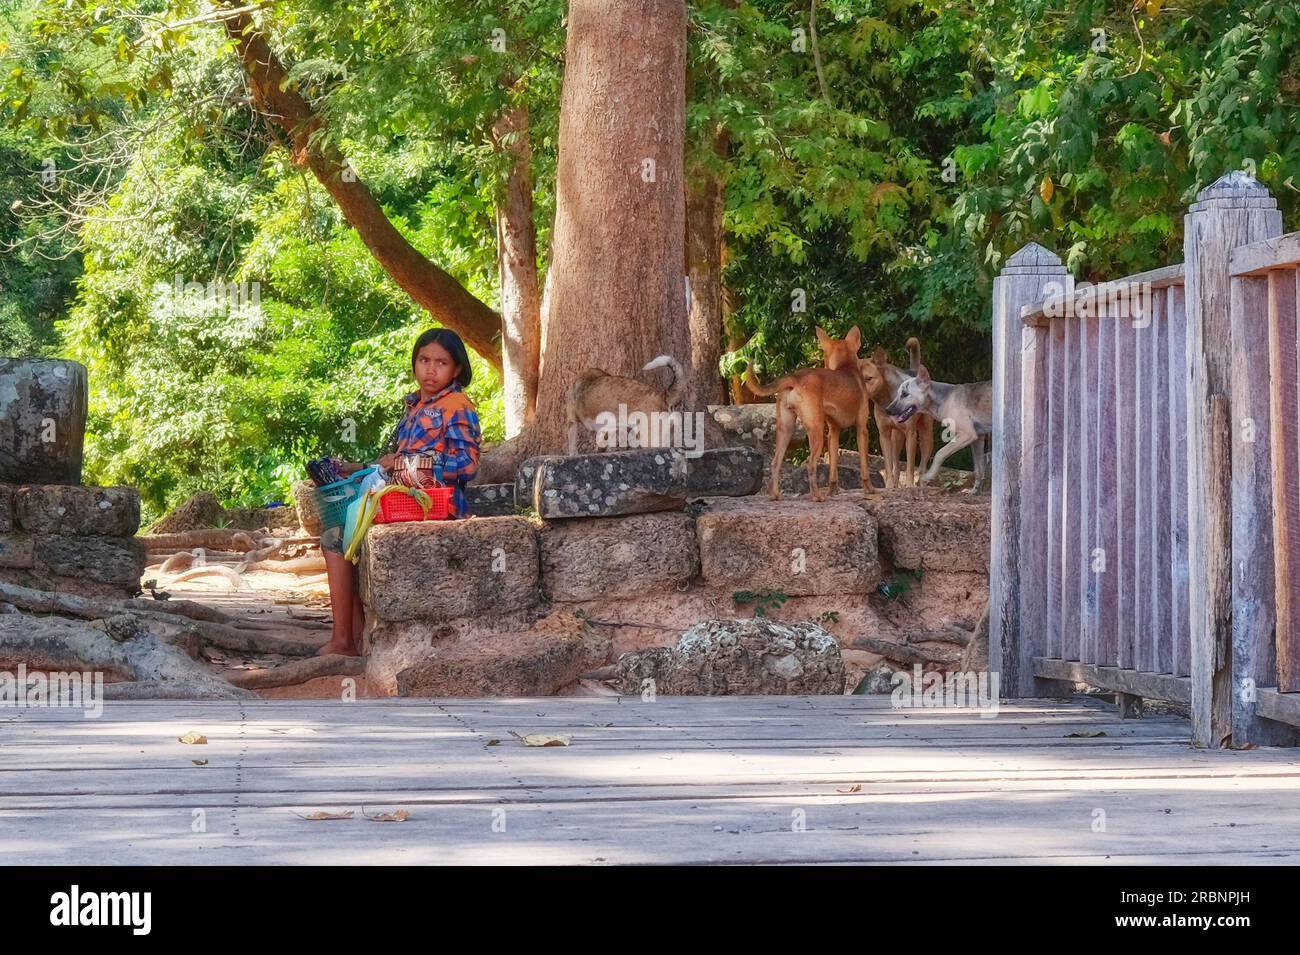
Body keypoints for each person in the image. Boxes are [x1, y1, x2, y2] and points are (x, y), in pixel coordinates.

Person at [318, 328, 481, 656]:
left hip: (434, 505)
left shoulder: (457, 405)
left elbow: (466, 464)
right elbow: (392, 462)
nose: (430, 369)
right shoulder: (414, 406)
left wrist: (410, 465)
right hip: (400, 501)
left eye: (441, 362)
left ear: (457, 369)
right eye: (423, 360)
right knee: (340, 534)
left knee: (337, 538)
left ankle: (344, 641)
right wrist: (352, 467)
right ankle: (354, 636)